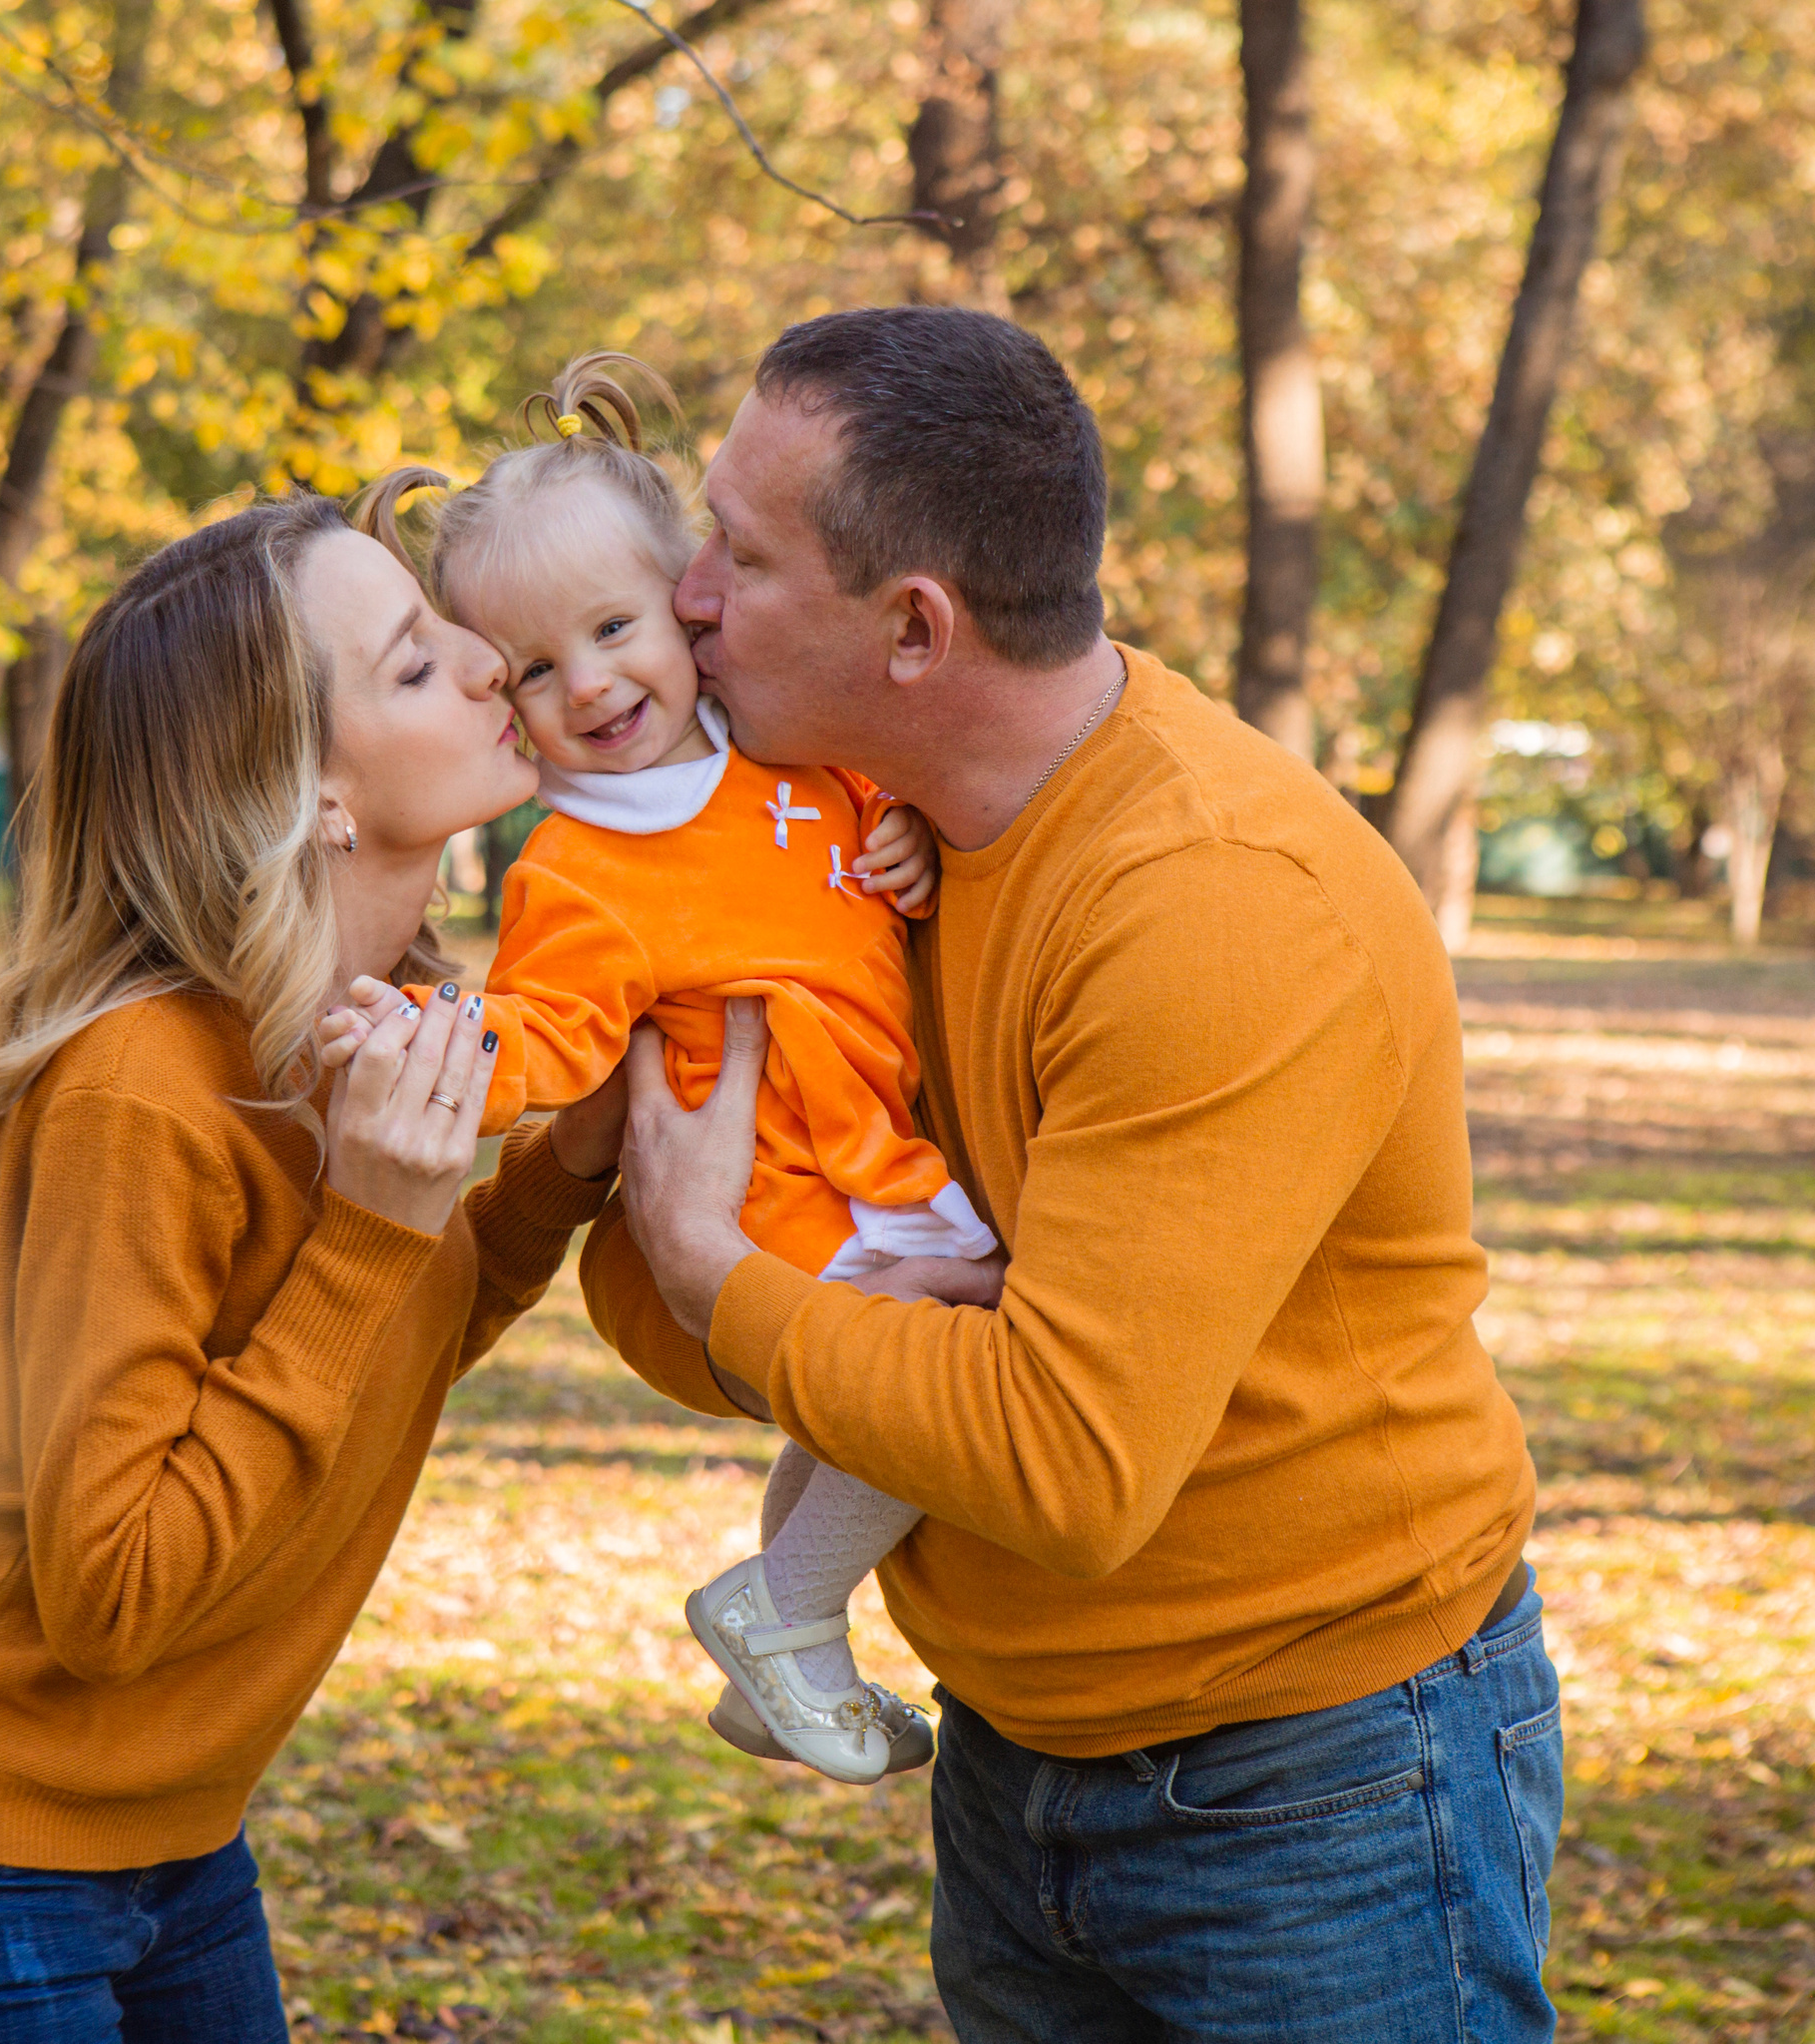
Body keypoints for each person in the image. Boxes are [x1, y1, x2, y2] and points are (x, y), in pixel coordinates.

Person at [585, 306, 1562, 2041]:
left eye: (738, 553)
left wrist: (715, 1273)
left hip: (1315, 1779)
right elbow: (697, 1326)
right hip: (1012, 1754)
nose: (688, 600)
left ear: (914, 627)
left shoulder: (1216, 899)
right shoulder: (848, 845)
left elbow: (1062, 1459)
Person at [0, 488, 627, 2043]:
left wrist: (559, 1168)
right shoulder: (141, 1089)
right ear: (313, 793)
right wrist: (371, 1224)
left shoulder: (365, 1028)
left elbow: (387, 1337)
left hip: (170, 1824)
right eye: (418, 666)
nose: (493, 663)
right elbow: (117, 1592)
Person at [330, 351, 989, 1787]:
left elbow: (881, 823)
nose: (594, 683)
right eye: (539, 672)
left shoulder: (796, 764)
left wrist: (912, 835)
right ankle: (788, 1607)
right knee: (935, 1353)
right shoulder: (583, 865)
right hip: (779, 1183)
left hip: (871, 1143)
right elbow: (551, 1029)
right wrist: (438, 1046)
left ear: (690, 600)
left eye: (615, 628)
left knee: (863, 1401)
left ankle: (789, 1650)